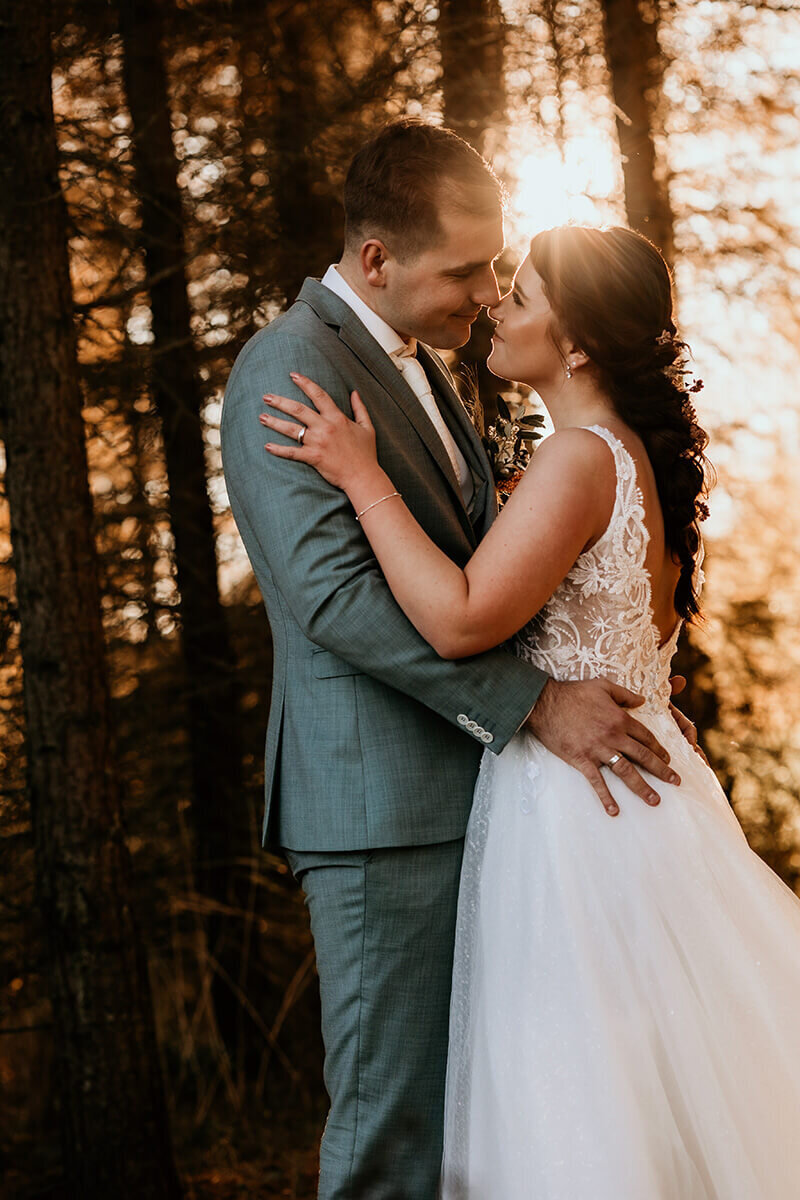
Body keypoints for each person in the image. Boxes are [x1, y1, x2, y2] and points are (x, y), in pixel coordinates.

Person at [261, 223, 800, 1197]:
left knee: (580, 1112)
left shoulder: (579, 461)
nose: (495, 307)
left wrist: (360, 475)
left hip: (575, 827)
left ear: (579, 341)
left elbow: (463, 620)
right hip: (642, 808)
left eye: (522, 292)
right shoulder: (620, 460)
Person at [221, 122, 690, 1199]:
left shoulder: (426, 373)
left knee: (498, 1131)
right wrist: (532, 703)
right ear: (376, 259)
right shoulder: (287, 371)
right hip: (384, 814)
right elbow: (334, 598)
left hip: (493, 811)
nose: (486, 293)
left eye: (497, 272)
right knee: (395, 1129)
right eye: (466, 270)